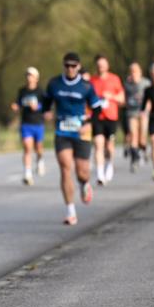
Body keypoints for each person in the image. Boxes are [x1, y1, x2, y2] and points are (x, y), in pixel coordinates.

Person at [42, 52, 104, 225]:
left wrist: (89, 123)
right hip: (62, 132)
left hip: (81, 131)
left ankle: (84, 184)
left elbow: (97, 109)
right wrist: (46, 112)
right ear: (63, 66)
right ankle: (70, 211)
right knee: (65, 168)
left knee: (82, 171)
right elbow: (46, 102)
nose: (70, 69)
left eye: (73, 66)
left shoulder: (86, 86)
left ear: (78, 67)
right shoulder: (54, 84)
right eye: (67, 65)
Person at [89, 54, 125, 185]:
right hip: (97, 117)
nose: (101, 67)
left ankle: (109, 164)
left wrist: (111, 97)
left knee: (109, 147)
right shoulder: (92, 81)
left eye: (103, 65)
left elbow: (122, 99)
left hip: (111, 116)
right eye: (99, 65)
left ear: (107, 66)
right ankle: (100, 174)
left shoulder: (114, 79)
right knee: (98, 144)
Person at [10, 66, 47, 185]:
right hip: (26, 123)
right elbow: (18, 103)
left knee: (39, 148)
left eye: (31, 75)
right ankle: (27, 174)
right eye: (27, 75)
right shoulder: (22, 91)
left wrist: (38, 107)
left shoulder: (40, 91)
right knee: (27, 147)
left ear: (36, 78)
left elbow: (46, 106)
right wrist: (15, 106)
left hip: (38, 123)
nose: (28, 77)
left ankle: (40, 160)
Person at [123, 62, 150, 172]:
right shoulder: (127, 84)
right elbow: (123, 97)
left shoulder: (146, 83)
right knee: (133, 134)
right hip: (131, 112)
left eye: (135, 71)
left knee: (142, 138)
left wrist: (147, 110)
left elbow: (150, 98)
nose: (133, 73)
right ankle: (134, 159)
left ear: (140, 72)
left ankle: (144, 149)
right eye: (132, 71)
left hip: (143, 112)